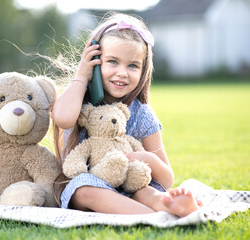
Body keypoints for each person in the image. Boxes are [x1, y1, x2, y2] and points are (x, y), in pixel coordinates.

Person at [51, 12, 202, 217]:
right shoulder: (80, 101)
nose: (122, 72)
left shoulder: (141, 113)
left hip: (130, 184)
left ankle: (167, 205)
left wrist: (142, 157)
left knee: (145, 191)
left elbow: (166, 179)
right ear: (95, 61)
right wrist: (81, 76)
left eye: (132, 65)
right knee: (85, 189)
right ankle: (153, 217)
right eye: (113, 61)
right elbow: (62, 118)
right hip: (89, 186)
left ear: (143, 70)